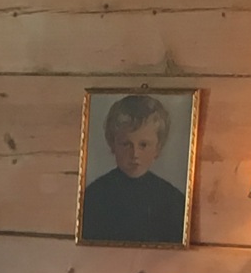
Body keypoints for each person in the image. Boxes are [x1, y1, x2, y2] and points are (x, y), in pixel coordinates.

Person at [79, 93, 187, 244]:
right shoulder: (94, 196)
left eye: (143, 145)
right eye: (126, 144)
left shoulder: (173, 200)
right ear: (113, 145)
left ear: (157, 148)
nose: (135, 154)